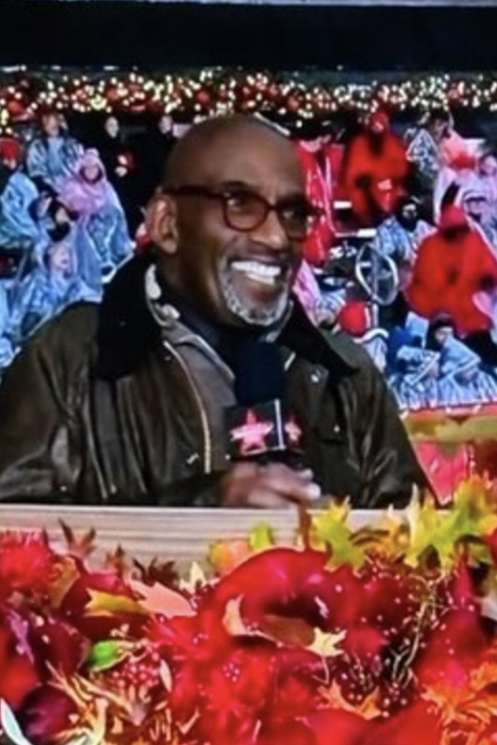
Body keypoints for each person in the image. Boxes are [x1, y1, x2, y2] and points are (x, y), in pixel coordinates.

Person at [0, 115, 425, 510]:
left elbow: (423, 546)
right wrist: (205, 509)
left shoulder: (343, 372)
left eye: (294, 213)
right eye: (240, 204)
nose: (277, 237)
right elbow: (16, 543)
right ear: (167, 224)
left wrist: (331, 545)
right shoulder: (70, 360)